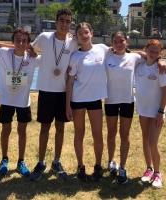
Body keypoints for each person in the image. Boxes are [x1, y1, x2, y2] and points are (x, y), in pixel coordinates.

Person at [105, 31, 166, 185]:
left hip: (138, 105)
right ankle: (145, 168)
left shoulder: (151, 65)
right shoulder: (132, 62)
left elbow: (147, 55)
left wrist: (161, 60)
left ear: (127, 41)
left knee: (148, 141)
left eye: (122, 41)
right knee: (143, 140)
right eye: (115, 41)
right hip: (129, 106)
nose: (119, 44)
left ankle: (155, 173)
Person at [29, 8, 78, 181]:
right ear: (56, 22)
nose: (64, 24)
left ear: (71, 24)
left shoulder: (73, 42)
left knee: (60, 128)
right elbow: (30, 47)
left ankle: (56, 161)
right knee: (44, 128)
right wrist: (33, 52)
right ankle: (41, 162)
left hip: (63, 91)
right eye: (62, 20)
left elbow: (91, 47)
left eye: (68, 21)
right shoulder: (44, 37)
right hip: (46, 89)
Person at [66, 22, 112, 181]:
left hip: (95, 100)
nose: (84, 36)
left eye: (86, 32)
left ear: (91, 33)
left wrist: (157, 60)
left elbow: (124, 52)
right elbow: (70, 82)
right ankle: (80, 166)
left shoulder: (103, 49)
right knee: (79, 133)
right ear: (77, 37)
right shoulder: (75, 56)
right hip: (78, 99)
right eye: (80, 33)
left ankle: (98, 166)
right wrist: (67, 105)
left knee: (97, 134)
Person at [0, 28, 40, 176]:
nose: (20, 43)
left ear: (28, 43)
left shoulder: (33, 58)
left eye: (24, 40)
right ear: (12, 41)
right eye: (17, 40)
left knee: (22, 132)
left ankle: (21, 161)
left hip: (23, 102)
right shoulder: (3, 53)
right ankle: (4, 159)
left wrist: (31, 49)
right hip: (7, 100)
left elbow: (49, 57)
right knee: (6, 130)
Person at [135, 39, 166, 189]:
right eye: (151, 51)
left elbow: (165, 92)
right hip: (142, 110)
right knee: (146, 141)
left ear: (160, 54)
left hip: (156, 112)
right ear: (146, 49)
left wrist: (161, 112)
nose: (153, 54)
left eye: (157, 52)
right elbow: (127, 53)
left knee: (153, 143)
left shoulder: (161, 69)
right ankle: (149, 169)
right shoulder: (139, 66)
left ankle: (158, 173)